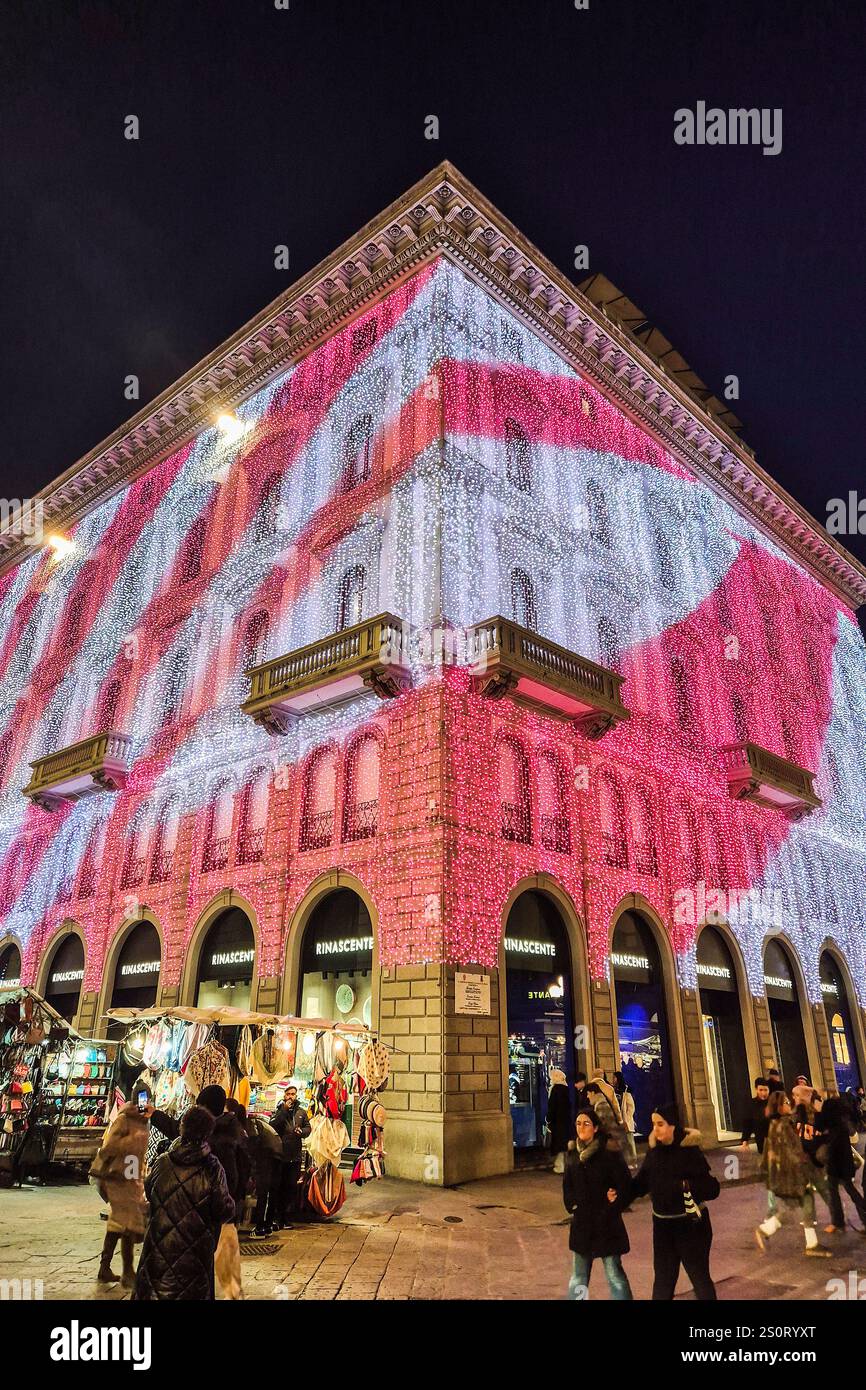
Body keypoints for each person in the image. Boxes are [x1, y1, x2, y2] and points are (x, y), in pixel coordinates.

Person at [134, 1105, 235, 1301]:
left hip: (158, 1250)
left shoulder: (162, 1162)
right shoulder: (212, 1167)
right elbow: (223, 1209)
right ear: (208, 1132)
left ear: (183, 1128)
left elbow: (149, 1190)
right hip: (195, 1256)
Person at [630, 1102, 720, 1300]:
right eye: (653, 1124)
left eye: (660, 1124)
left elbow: (712, 1189)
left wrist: (685, 1186)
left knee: (700, 1278)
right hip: (663, 1226)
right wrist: (617, 1194)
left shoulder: (689, 1151)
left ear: (672, 1125)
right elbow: (640, 1184)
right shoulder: (654, 1154)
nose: (655, 1129)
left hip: (691, 1226)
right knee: (663, 1280)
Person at [563, 1108, 633, 1300]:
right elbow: (567, 1187)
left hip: (606, 1223)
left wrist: (616, 1200)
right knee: (579, 1277)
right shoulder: (572, 1154)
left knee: (614, 1275)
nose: (581, 1127)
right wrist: (573, 1206)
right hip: (583, 1224)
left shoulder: (609, 1152)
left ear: (595, 1128)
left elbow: (626, 1184)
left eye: (586, 1123)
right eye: (578, 1123)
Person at [755, 1090, 830, 1257]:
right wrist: (804, 1173)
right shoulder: (783, 1125)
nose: (790, 1104)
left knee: (803, 1204)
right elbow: (792, 1153)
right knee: (792, 1207)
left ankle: (811, 1243)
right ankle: (765, 1230)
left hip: (788, 1174)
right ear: (780, 1106)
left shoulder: (778, 1123)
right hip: (792, 1175)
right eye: (787, 1102)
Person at [89, 1094, 152, 1288]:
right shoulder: (124, 1119)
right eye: (143, 1101)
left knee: (125, 1222)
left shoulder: (143, 1122)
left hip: (131, 1179)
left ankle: (111, 1268)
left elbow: (137, 1156)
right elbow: (110, 1147)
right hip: (116, 1178)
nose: (146, 1105)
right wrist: (132, 1140)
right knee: (124, 1222)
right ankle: (124, 1270)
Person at [817, 1096, 866, 1235]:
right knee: (847, 1190)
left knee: (838, 1191)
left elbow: (832, 1148)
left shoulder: (834, 1128)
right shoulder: (842, 1122)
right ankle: (841, 1221)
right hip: (844, 1165)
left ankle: (839, 1222)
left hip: (837, 1166)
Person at [270, 1085, 311, 1225]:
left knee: (291, 1187)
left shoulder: (301, 1112)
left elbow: (308, 1128)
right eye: (288, 1094)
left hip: (295, 1155)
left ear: (296, 1095)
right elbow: (274, 1125)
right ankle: (277, 1216)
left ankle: (286, 1217)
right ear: (284, 1095)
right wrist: (284, 1110)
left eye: (293, 1094)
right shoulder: (279, 1111)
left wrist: (303, 1132)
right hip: (282, 1155)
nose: (290, 1096)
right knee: (279, 1186)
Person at [242, 1107, 283, 1236]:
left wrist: (251, 1163)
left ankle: (261, 1227)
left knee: (263, 1191)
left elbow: (253, 1142)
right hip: (275, 1155)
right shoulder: (258, 1122)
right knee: (270, 1191)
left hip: (268, 1156)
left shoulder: (251, 1123)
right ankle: (268, 1225)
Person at [545, 1067, 572, 1175]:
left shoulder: (555, 1089)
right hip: (566, 1121)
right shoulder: (566, 1089)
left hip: (557, 1122)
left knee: (559, 1144)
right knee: (564, 1144)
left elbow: (552, 1107)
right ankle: (564, 1165)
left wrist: (548, 1119)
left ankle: (559, 1166)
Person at [739, 1078, 771, 1154]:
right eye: (761, 1090)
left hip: (775, 1137)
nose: (763, 1093)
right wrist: (745, 1140)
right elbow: (747, 1122)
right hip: (761, 1137)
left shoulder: (774, 1102)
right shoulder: (751, 1104)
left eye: (766, 1090)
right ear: (756, 1089)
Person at [613, 1070, 637, 1166]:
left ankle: (633, 1161)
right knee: (623, 1142)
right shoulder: (614, 1090)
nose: (613, 1079)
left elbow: (631, 1107)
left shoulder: (626, 1091)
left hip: (626, 1120)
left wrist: (626, 1119)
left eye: (614, 1077)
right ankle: (626, 1161)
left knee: (630, 1142)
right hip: (619, 1120)